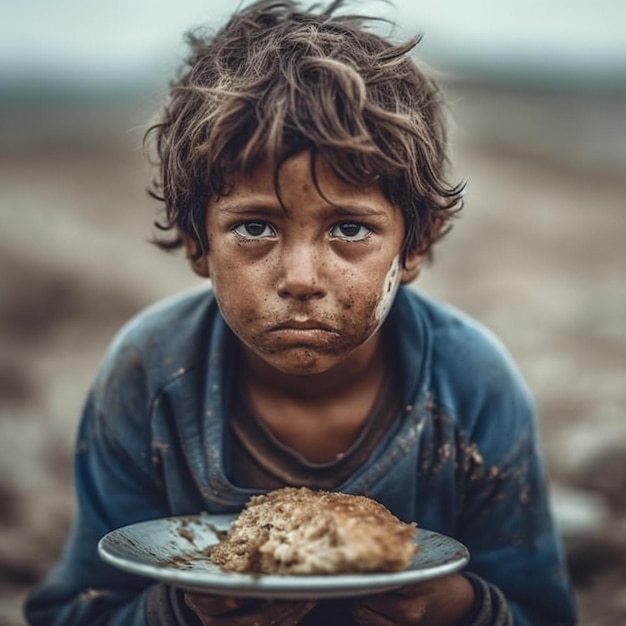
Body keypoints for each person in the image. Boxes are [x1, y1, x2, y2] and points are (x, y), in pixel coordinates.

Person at [24, 1, 577, 624]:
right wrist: (180, 615)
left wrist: (460, 609)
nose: (301, 278)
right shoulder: (150, 378)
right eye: (255, 226)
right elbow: (74, 610)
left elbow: (542, 611)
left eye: (349, 228)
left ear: (414, 245)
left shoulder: (472, 385)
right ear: (198, 243)